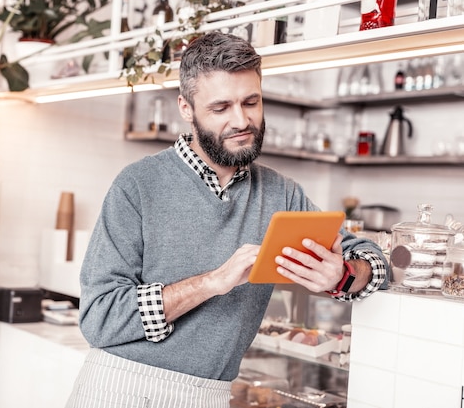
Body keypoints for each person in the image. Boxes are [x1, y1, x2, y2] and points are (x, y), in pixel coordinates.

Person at [65, 32, 389, 408]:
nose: (241, 120)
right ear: (186, 108)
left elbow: (372, 258)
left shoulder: (282, 194)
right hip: (120, 387)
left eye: (251, 102)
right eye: (221, 108)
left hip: (212, 395)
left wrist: (346, 275)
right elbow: (99, 319)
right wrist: (212, 283)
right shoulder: (137, 186)